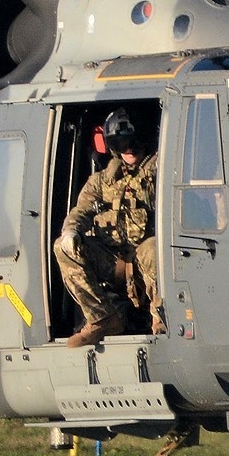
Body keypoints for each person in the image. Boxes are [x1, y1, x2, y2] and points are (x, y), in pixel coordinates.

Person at [53, 109, 165, 346]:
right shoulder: (102, 181)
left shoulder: (160, 171)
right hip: (112, 260)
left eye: (133, 141)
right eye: (122, 143)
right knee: (62, 247)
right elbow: (81, 210)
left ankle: (161, 320)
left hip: (146, 255)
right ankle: (102, 318)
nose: (130, 148)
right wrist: (71, 232)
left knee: (156, 248)